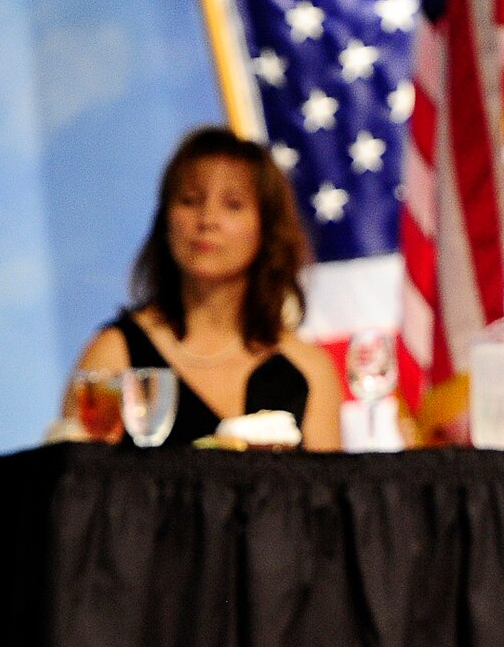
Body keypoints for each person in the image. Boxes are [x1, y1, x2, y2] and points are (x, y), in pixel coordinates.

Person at [67, 127, 344, 450]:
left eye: (233, 205)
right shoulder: (116, 354)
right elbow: (76, 488)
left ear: (267, 229)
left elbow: (327, 496)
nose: (207, 219)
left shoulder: (308, 370)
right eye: (190, 201)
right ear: (165, 220)